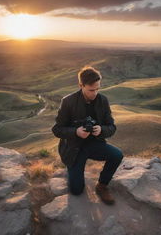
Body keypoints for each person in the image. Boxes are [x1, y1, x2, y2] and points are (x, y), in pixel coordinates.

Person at [52, 66, 123, 205]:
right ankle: (73, 171)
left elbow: (112, 127)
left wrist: (101, 130)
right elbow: (57, 129)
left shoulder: (103, 100)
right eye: (91, 90)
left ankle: (102, 185)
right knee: (77, 190)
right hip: (74, 148)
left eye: (98, 89)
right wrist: (76, 132)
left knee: (117, 155)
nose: (95, 93)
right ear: (81, 85)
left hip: (95, 144)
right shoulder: (68, 101)